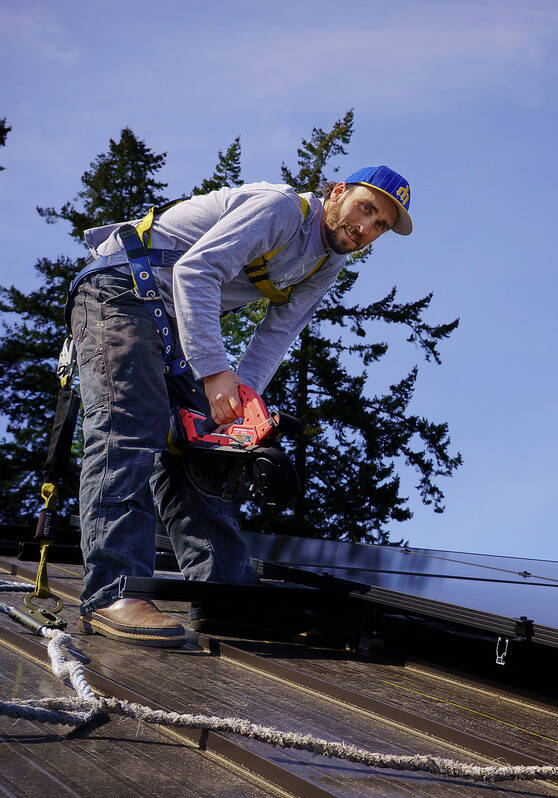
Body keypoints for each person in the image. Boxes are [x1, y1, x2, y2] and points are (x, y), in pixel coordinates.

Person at [69, 165, 413, 646]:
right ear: (337, 192)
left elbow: (277, 334)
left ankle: (226, 597)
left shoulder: (327, 262)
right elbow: (196, 270)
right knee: (132, 429)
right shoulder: (279, 211)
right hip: (122, 290)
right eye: (366, 207)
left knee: (206, 447)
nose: (366, 228)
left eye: (380, 226)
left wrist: (238, 407)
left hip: (175, 319)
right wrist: (214, 372)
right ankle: (112, 591)